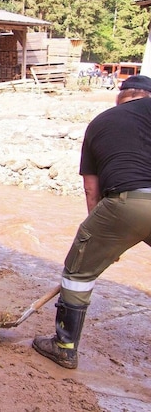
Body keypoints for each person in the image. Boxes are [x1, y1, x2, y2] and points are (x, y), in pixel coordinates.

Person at [32, 75, 151, 369]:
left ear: (119, 98)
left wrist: (103, 239)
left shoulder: (100, 122)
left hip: (127, 202)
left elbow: (91, 190)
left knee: (78, 274)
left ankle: (64, 347)